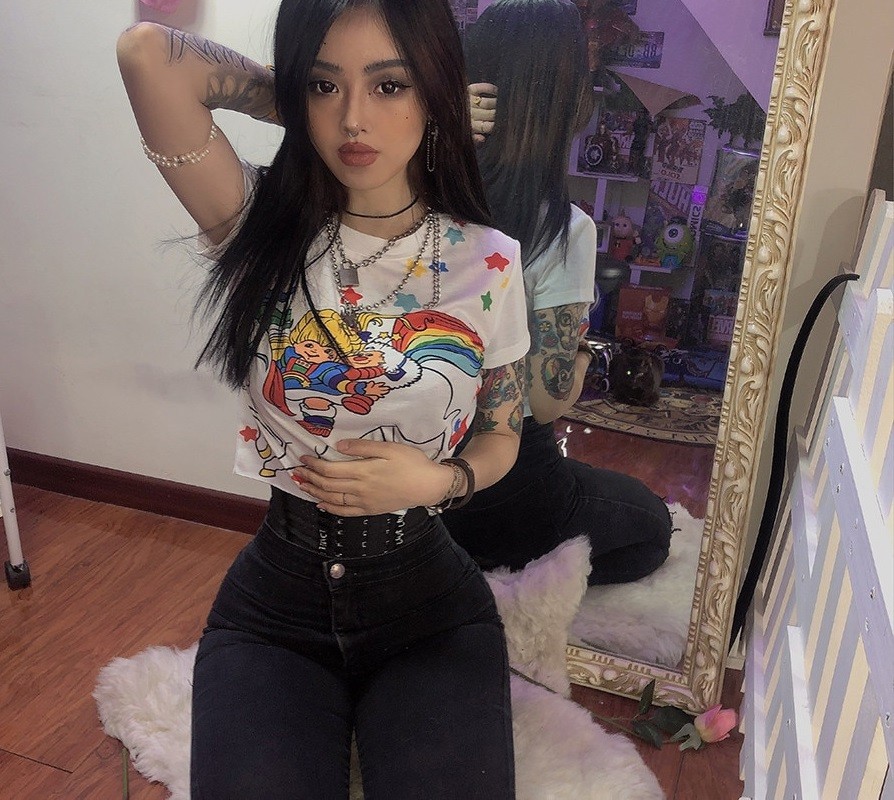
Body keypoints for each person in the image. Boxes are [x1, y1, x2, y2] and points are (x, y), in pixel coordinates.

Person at [116, 1, 529, 797]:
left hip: (429, 609)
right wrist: (299, 104)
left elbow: (502, 435)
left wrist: (440, 480)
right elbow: (145, 56)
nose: (354, 120)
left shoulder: (490, 262)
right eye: (325, 84)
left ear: (435, 90)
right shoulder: (257, 224)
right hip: (276, 609)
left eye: (390, 86)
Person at [444, 0, 673, 586]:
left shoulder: (412, 197)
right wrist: (582, 353)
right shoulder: (563, 228)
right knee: (652, 525)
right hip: (508, 483)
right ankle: (504, 581)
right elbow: (546, 401)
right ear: (563, 103)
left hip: (418, 472)